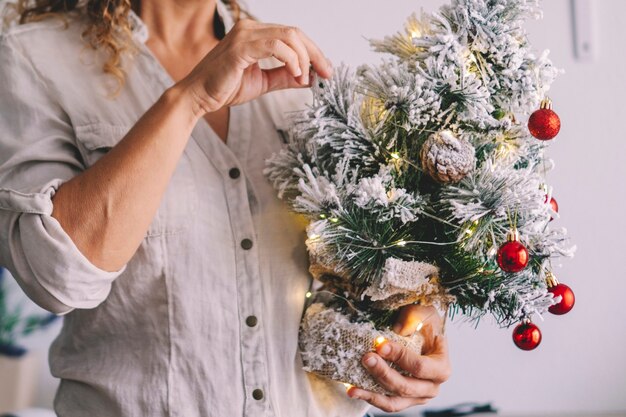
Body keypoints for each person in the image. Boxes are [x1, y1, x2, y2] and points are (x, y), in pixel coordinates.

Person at [0, 1, 451, 416]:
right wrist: (189, 97)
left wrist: (409, 323)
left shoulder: (293, 66)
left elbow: (351, 269)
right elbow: (58, 278)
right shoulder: (34, 57)